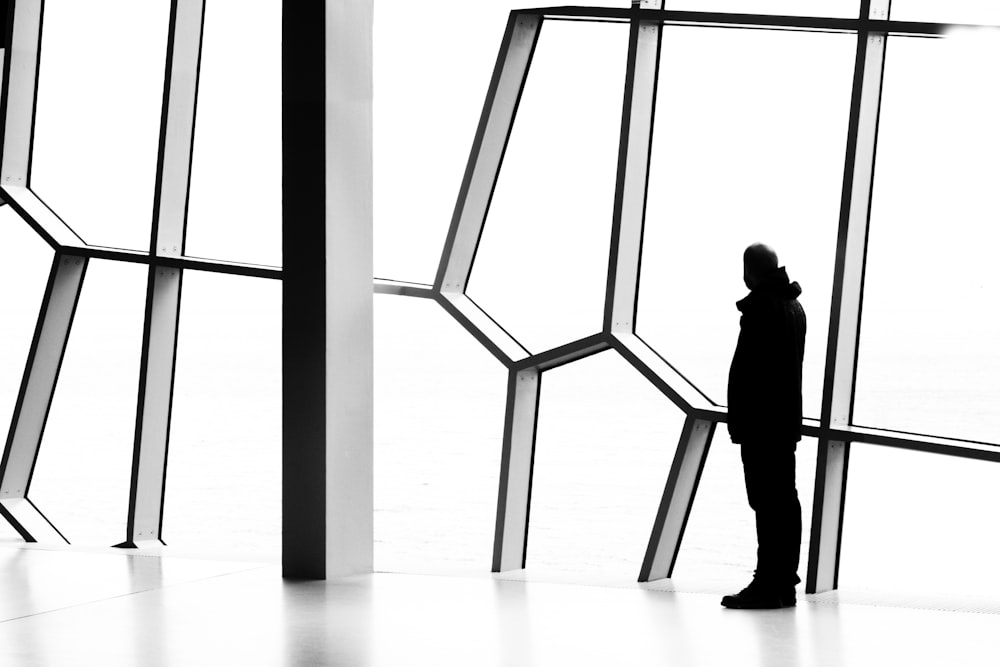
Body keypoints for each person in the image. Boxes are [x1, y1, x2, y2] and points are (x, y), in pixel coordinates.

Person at [721, 243, 806, 610]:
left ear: (750, 272)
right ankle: (783, 581)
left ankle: (767, 583)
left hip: (760, 423)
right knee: (784, 502)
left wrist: (738, 420)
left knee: (767, 503)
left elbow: (747, 372)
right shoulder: (794, 307)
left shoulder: (759, 309)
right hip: (784, 421)